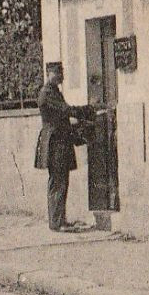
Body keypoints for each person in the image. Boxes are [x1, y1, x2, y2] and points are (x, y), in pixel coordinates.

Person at [34, 61, 95, 232]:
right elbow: (65, 110)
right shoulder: (47, 93)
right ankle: (56, 223)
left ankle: (60, 220)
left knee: (62, 180)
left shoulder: (53, 92)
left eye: (61, 72)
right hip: (55, 143)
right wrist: (89, 109)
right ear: (49, 74)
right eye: (56, 72)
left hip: (60, 140)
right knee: (58, 181)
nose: (60, 76)